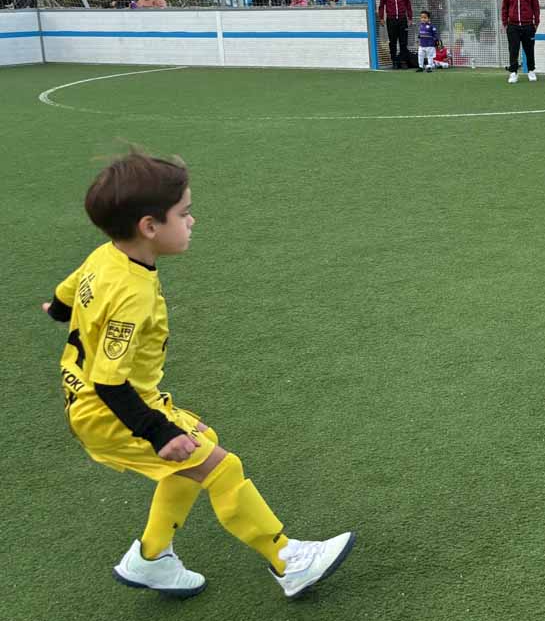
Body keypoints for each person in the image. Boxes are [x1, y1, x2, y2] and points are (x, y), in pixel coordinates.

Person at [41, 151, 356, 598]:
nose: (192, 221)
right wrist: (158, 432)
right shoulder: (131, 293)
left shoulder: (104, 257)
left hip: (104, 400)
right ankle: (288, 560)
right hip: (110, 409)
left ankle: (151, 559)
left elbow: (67, 292)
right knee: (221, 466)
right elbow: (110, 379)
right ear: (150, 227)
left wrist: (58, 310)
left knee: (193, 456)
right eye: (184, 214)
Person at [501, 0, 540, 84]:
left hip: (528, 26)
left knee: (529, 49)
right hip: (512, 26)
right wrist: (505, 24)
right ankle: (513, 73)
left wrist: (536, 23)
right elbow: (504, 9)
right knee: (513, 50)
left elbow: (536, 8)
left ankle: (531, 71)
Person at [377, 0, 414, 70]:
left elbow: (408, 4)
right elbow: (381, 5)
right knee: (392, 41)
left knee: (403, 41)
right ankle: (394, 61)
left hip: (402, 19)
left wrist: (410, 17)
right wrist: (381, 17)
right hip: (391, 20)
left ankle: (403, 61)